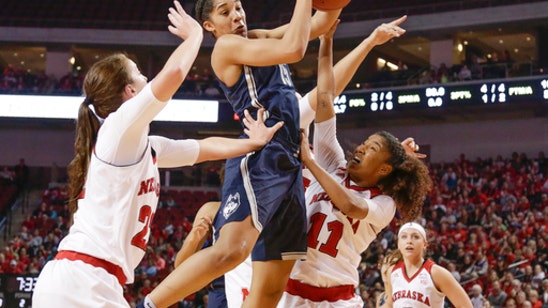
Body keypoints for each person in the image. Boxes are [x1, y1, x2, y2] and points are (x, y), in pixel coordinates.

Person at [31, 2, 282, 307]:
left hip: (94, 280)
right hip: (81, 280)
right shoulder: (117, 129)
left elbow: (202, 149)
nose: (146, 78)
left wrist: (252, 142)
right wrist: (194, 38)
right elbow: (174, 73)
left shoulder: (143, 146)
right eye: (138, 74)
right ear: (130, 92)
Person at [143, 1, 342, 307]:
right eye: (225, 12)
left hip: (291, 162)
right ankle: (149, 304)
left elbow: (318, 24)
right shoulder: (226, 48)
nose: (236, 15)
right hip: (262, 155)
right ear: (209, 26)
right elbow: (295, 48)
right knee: (231, 251)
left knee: (272, 289)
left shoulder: (259, 37)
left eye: (237, 6)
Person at [279, 17, 432, 307]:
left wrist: (310, 163)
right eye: (364, 142)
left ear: (384, 169)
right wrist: (327, 42)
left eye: (371, 147)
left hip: (337, 297)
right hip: (290, 290)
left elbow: (350, 206)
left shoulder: (384, 204)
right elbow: (325, 98)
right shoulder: (333, 162)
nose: (360, 147)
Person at [383, 222, 473, 308]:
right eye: (404, 237)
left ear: (425, 244)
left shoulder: (436, 273)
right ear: (398, 244)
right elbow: (390, 304)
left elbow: (465, 306)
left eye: (415, 237)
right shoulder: (392, 272)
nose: (409, 241)